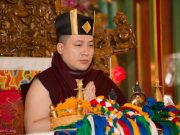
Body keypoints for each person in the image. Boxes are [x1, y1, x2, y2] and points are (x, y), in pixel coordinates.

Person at [24, 9, 126, 133]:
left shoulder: (100, 80)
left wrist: (99, 107)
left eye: (90, 45)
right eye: (78, 45)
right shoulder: (45, 83)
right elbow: (32, 128)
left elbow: (126, 117)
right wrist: (80, 110)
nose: (86, 52)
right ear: (61, 48)